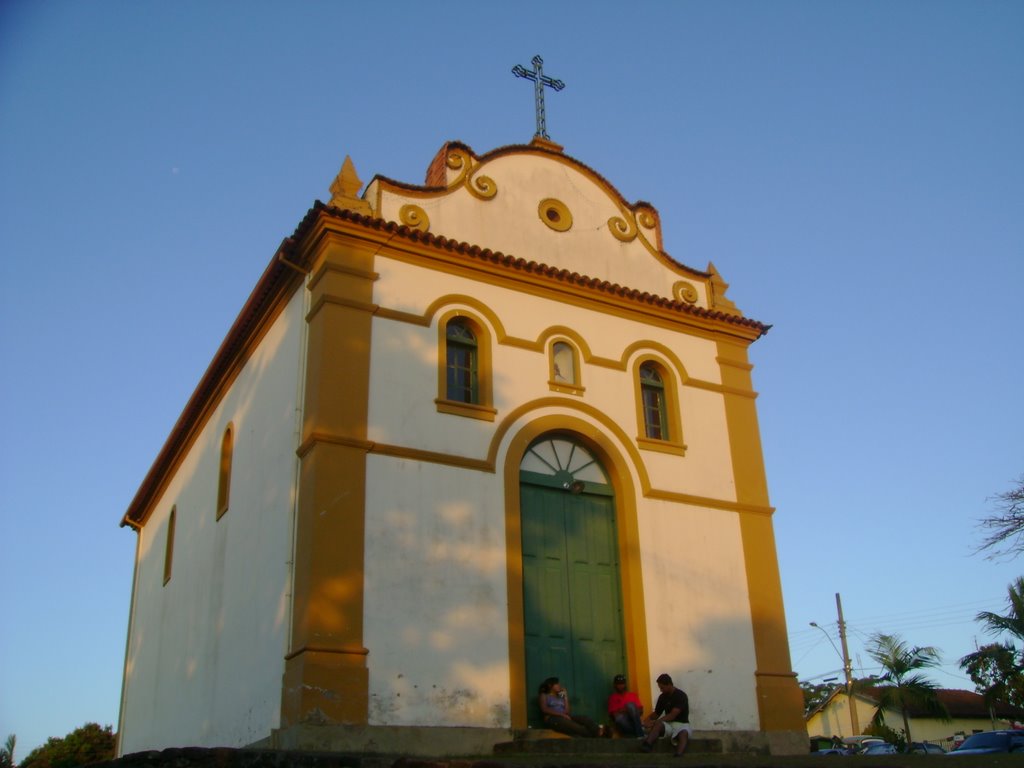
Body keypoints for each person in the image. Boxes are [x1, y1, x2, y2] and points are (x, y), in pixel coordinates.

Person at [640, 673, 691, 756]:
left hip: (682, 724)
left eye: (662, 687)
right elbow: (656, 713)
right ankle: (647, 745)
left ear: (669, 684)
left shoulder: (681, 696)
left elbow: (672, 715)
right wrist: (645, 721)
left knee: (683, 733)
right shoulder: (662, 697)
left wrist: (655, 722)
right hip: (669, 725)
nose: (661, 690)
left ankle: (679, 753)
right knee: (659, 725)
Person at [537, 677, 602, 738]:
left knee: (585, 719)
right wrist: (562, 715)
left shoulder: (560, 696)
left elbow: (567, 712)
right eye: (557, 684)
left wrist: (565, 696)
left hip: (565, 717)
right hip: (552, 719)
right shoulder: (544, 695)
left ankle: (600, 732)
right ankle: (598, 736)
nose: (559, 685)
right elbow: (544, 709)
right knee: (578, 728)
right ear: (550, 685)